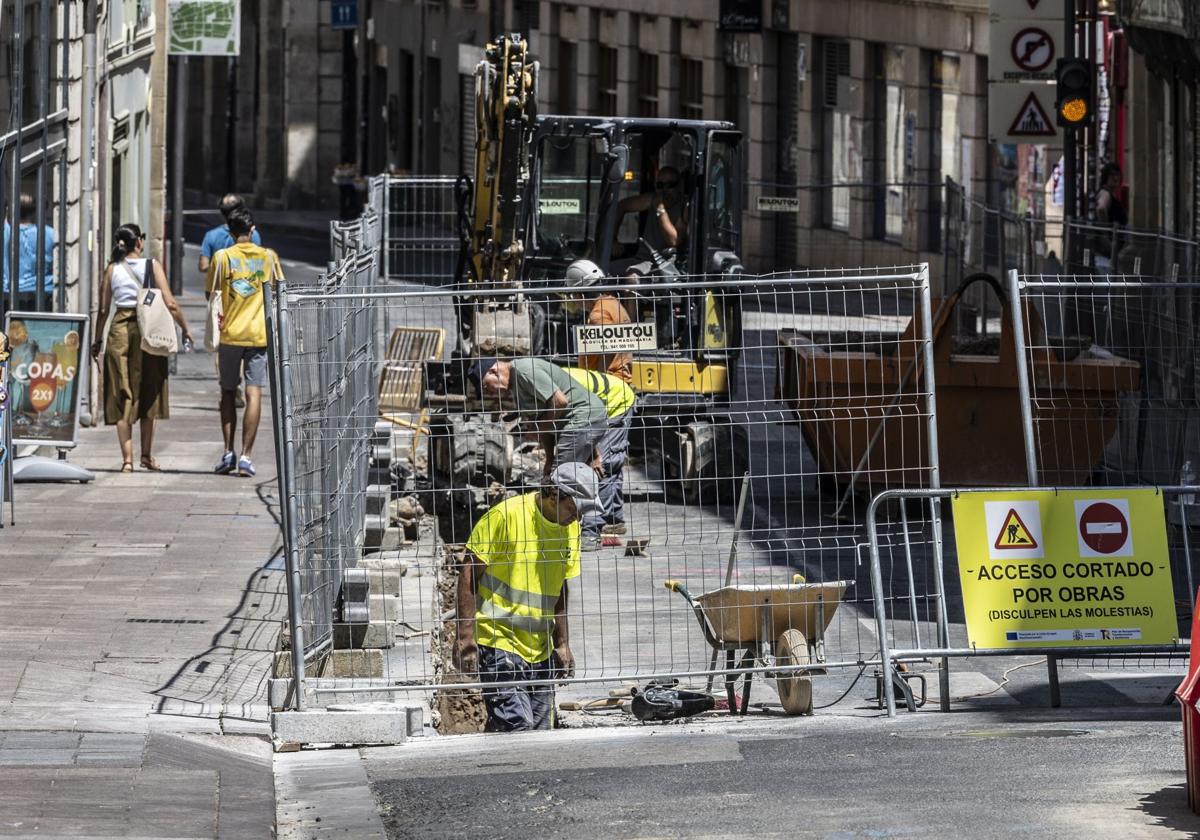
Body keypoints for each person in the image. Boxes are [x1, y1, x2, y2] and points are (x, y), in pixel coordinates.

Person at [454, 462, 599, 732]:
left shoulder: (571, 530)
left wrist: (562, 642)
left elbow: (560, 587)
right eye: (575, 508)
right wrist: (465, 636)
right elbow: (468, 576)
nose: (578, 518)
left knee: (541, 733)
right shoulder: (506, 517)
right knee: (519, 728)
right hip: (498, 641)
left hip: (539, 648)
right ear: (554, 494)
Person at [90, 224, 194, 472]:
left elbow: (104, 310)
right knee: (150, 391)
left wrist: (98, 340)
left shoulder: (111, 269)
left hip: (120, 332)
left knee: (121, 391)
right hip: (150, 331)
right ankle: (146, 455)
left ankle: (127, 460)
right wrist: (185, 329)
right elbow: (170, 303)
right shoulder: (152, 265)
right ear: (139, 242)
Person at [206, 207, 283, 478]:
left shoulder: (222, 257)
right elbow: (279, 292)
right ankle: (247, 457)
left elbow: (211, 294)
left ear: (229, 232)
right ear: (252, 231)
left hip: (229, 334)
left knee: (227, 392)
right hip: (258, 334)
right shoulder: (268, 257)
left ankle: (228, 451)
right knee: (254, 393)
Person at [468, 356, 608, 476]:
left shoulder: (524, 371)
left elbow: (560, 402)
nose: (490, 393)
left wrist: (537, 430)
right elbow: (542, 419)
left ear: (494, 372)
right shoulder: (515, 387)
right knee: (567, 477)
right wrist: (549, 459)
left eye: (486, 387)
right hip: (578, 423)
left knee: (560, 477)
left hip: (583, 418)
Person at [565, 367, 636, 542]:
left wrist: (594, 455)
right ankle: (612, 519)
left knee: (603, 465)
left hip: (616, 401)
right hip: (599, 404)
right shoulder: (545, 390)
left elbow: (588, 425)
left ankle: (591, 532)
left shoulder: (557, 396)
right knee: (610, 462)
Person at [564, 259, 634, 384]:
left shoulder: (599, 315)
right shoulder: (612, 303)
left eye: (572, 294)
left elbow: (606, 352)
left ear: (580, 294)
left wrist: (602, 384)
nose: (573, 300)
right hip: (615, 381)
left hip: (606, 383)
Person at [613, 165, 689, 275]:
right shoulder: (651, 199)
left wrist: (660, 209)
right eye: (660, 185)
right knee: (600, 273)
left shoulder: (684, 206)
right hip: (641, 259)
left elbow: (673, 241)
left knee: (632, 278)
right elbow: (621, 206)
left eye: (671, 185)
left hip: (665, 264)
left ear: (679, 186)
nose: (665, 190)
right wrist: (613, 240)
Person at [3, 193, 56, 312]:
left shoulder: (6, 233)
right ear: (34, 211)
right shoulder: (49, 234)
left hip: (8, 297)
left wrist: (6, 214)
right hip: (40, 296)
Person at [198, 193, 263, 276]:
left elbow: (203, 266)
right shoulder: (253, 234)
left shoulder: (211, 235)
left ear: (222, 212)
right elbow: (257, 266)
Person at [1093, 163, 1127, 274]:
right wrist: (1106, 231)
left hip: (1109, 249)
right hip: (1108, 249)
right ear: (1106, 177)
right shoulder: (1105, 193)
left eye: (1117, 175)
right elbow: (1101, 208)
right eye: (1112, 175)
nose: (1116, 178)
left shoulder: (1109, 193)